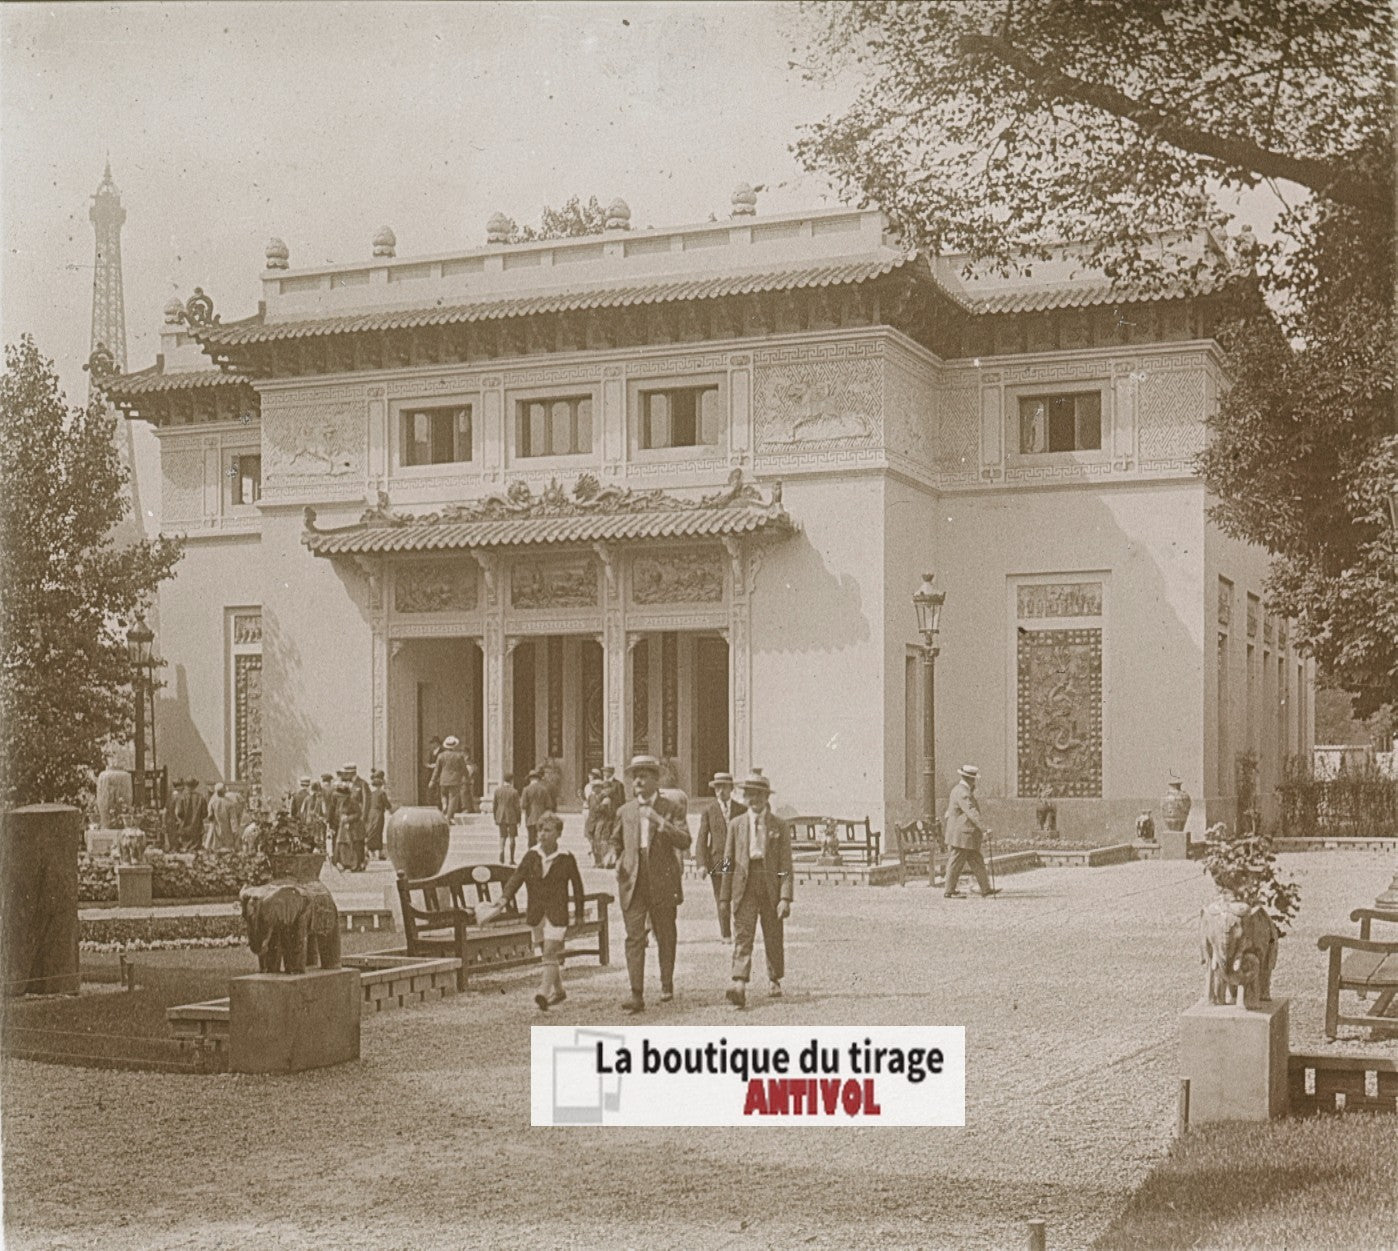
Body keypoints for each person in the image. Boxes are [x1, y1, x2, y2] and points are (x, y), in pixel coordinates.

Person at [609, 754, 691, 1013]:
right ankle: (636, 993)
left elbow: (685, 840)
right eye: (635, 776)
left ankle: (666, 982)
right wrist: (614, 854)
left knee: (665, 934)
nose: (639, 781)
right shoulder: (625, 811)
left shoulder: (671, 808)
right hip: (632, 881)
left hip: (662, 881)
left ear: (657, 780)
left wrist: (661, 823)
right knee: (634, 937)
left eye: (644, 775)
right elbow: (615, 840)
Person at [481, 813, 585, 1012]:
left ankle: (543, 993)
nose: (542, 835)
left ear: (558, 834)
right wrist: (503, 900)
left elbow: (578, 887)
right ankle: (560, 991)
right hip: (537, 912)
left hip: (558, 912)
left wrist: (579, 915)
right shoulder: (531, 856)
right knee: (548, 955)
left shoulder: (566, 858)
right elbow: (516, 878)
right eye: (540, 830)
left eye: (547, 830)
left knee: (549, 952)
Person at [720, 769, 793, 1007]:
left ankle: (774, 978)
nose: (755, 800)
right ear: (744, 797)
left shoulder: (779, 826)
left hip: (769, 882)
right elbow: (728, 860)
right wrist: (724, 894)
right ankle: (739, 982)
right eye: (750, 795)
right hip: (745, 882)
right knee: (743, 933)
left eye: (759, 795)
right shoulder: (736, 824)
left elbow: (785, 865)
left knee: (773, 933)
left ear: (766, 798)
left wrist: (785, 897)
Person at [696, 771, 745, 941]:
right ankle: (726, 933)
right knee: (722, 898)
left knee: (739, 896)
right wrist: (701, 864)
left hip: (738, 861)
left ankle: (740, 930)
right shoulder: (709, 811)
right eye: (717, 788)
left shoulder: (741, 810)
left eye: (724, 787)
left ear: (731, 788)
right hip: (718, 861)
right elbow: (702, 839)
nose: (720, 791)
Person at [943, 764, 998, 899]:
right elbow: (971, 812)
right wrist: (984, 828)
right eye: (973, 780)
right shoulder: (963, 793)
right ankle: (949, 890)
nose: (975, 782)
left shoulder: (957, 789)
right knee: (956, 862)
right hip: (963, 834)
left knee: (976, 860)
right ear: (970, 779)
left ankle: (985, 889)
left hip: (965, 834)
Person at [429, 736, 470, 823]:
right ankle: (449, 817)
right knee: (453, 799)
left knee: (443, 795)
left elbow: (437, 769)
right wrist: (467, 777)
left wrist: (432, 780)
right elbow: (464, 769)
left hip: (443, 779)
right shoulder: (459, 756)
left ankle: (444, 805)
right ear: (454, 746)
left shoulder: (441, 756)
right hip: (455, 780)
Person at [583, 769, 613, 867]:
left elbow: (602, 809)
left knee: (599, 840)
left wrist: (599, 806)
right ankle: (596, 860)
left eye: (596, 787)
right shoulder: (591, 797)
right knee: (592, 841)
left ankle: (602, 861)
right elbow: (589, 807)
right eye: (593, 787)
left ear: (600, 788)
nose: (594, 789)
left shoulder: (606, 798)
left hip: (601, 820)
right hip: (591, 821)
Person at [333, 782, 364, 871]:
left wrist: (348, 818)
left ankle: (356, 865)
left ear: (346, 795)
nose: (339, 798)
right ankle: (345, 864)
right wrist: (340, 817)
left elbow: (358, 814)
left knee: (354, 846)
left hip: (354, 827)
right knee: (343, 845)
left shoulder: (353, 802)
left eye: (341, 796)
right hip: (343, 827)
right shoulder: (340, 803)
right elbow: (338, 813)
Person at [492, 772, 522, 865]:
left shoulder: (497, 790)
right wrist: (519, 819)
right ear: (511, 780)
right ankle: (511, 859)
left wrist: (495, 817)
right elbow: (517, 807)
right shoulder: (514, 792)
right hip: (511, 816)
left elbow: (494, 806)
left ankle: (501, 854)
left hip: (501, 816)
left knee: (502, 836)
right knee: (512, 837)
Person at [521, 769, 554, 851]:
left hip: (530, 818)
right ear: (538, 779)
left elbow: (523, 805)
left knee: (531, 840)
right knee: (541, 838)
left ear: (530, 779)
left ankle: (532, 856)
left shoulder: (526, 789)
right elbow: (549, 805)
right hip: (542, 818)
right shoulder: (544, 789)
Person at [366, 769, 393, 861]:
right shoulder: (382, 793)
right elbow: (387, 804)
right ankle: (377, 852)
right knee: (378, 831)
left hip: (370, 813)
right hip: (378, 813)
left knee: (371, 831)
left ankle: (370, 851)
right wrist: (391, 810)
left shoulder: (370, 793)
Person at [206, 782, 239, 852]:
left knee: (215, 849)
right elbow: (233, 819)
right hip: (227, 829)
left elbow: (209, 816)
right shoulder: (230, 803)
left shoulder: (212, 802)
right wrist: (235, 831)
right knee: (227, 850)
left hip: (215, 828)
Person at [180, 777, 207, 851]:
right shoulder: (201, 797)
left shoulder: (182, 797)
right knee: (196, 852)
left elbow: (179, 812)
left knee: (185, 851)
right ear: (195, 786)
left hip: (185, 828)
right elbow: (205, 814)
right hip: (197, 828)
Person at [424, 735, 443, 808]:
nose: (432, 745)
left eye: (433, 743)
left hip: (438, 774)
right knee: (430, 790)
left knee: (438, 791)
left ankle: (438, 805)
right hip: (430, 773)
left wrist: (434, 765)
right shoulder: (431, 752)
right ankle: (431, 804)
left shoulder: (442, 752)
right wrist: (428, 765)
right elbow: (428, 762)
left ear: (437, 743)